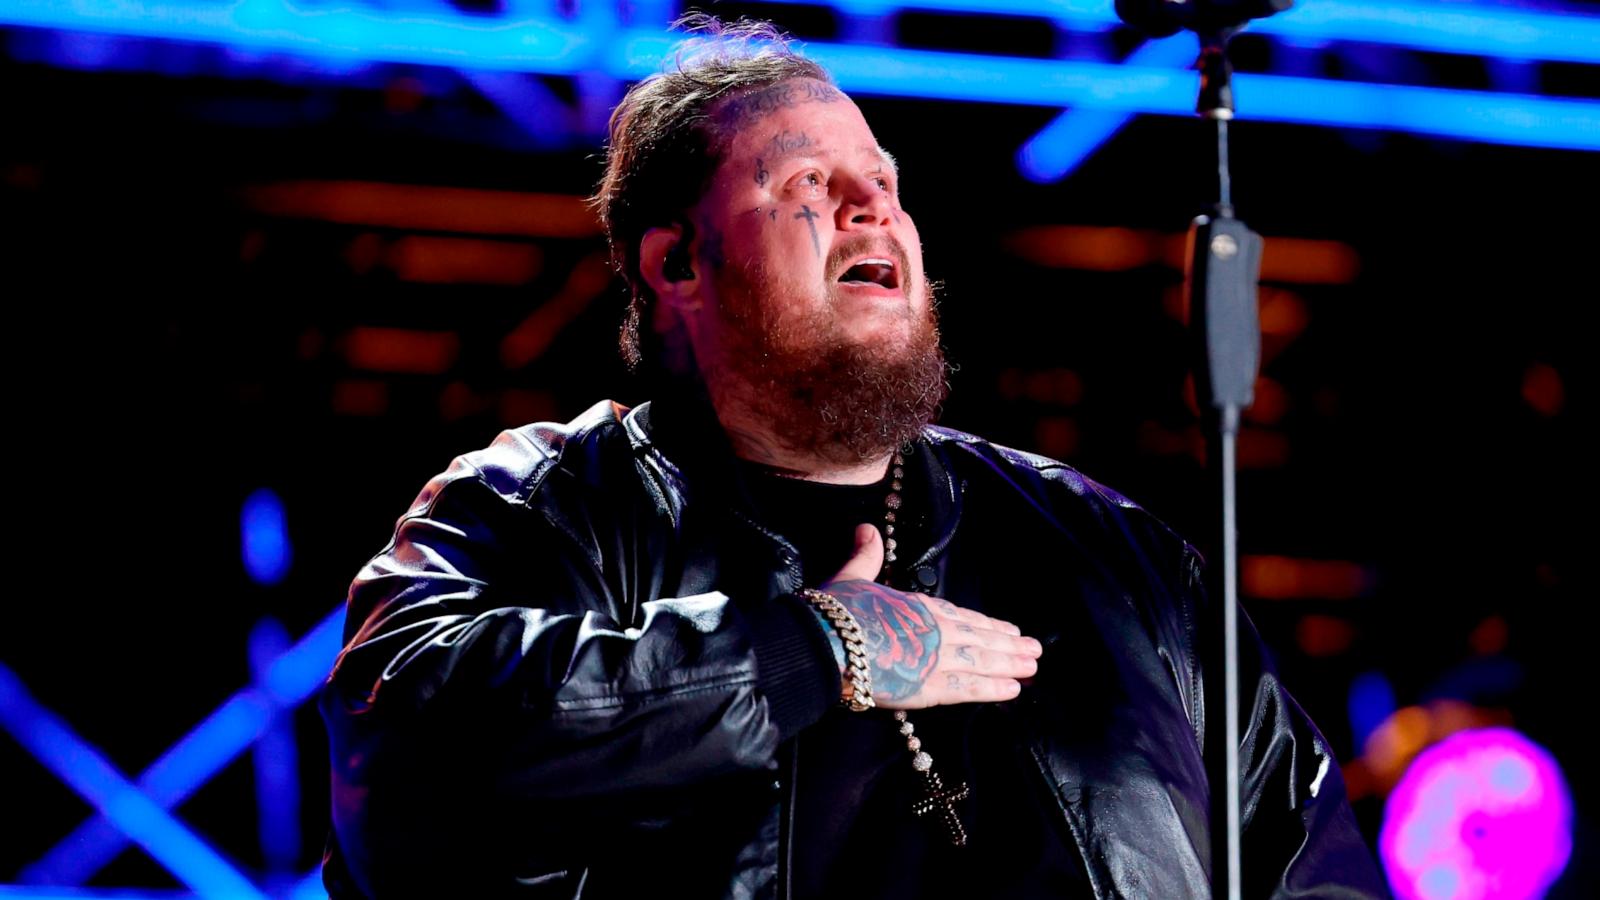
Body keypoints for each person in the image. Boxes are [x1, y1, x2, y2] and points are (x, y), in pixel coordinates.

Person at [318, 16, 1388, 899]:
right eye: (804, 184)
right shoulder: (537, 509)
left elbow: (1309, 868)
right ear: (677, 260)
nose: (872, 205)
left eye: (882, 181)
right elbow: (402, 748)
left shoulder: (1122, 561)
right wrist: (804, 653)